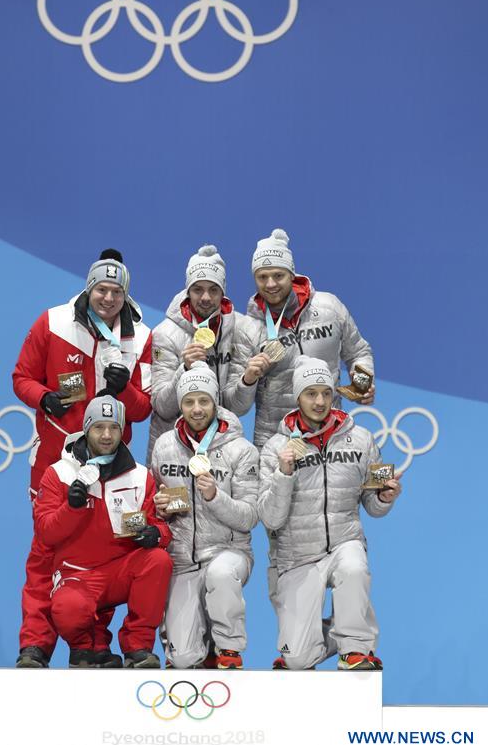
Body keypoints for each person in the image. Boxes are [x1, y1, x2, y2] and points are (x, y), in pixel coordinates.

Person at [12, 248, 153, 668]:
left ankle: (89, 645)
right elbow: (21, 378)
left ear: (126, 295)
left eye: (116, 291)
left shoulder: (141, 338)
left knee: (104, 554)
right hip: (57, 460)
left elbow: (143, 408)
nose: (108, 298)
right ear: (88, 288)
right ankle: (35, 644)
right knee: (45, 552)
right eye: (101, 289)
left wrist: (124, 388)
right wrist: (45, 398)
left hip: (110, 468)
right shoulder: (53, 322)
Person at [258, 356, 401, 671]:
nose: (320, 401)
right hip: (297, 556)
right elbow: (270, 519)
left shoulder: (360, 440)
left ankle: (355, 649)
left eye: (326, 393)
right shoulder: (275, 448)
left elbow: (373, 506)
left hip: (343, 542)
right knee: (296, 659)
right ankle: (335, 633)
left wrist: (384, 496)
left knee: (353, 565)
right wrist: (283, 473)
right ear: (298, 397)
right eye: (311, 394)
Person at [34, 396, 173, 669]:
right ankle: (86, 649)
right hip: (78, 573)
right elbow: (46, 533)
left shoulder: (140, 476)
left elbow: (160, 525)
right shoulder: (59, 473)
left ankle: (138, 647)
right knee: (69, 609)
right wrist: (71, 508)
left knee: (158, 560)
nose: (107, 435)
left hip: (120, 570)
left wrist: (156, 534)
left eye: (114, 427)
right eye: (99, 427)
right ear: (86, 429)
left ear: (123, 431)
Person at [150, 362, 259, 670]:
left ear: (215, 402)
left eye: (204, 401)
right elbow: (152, 501)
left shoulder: (241, 450)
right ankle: (200, 650)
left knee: (221, 575)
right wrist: (158, 508)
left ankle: (229, 650)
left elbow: (249, 517)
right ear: (180, 405)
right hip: (183, 558)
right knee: (183, 658)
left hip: (229, 552)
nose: (196, 409)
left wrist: (214, 496)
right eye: (189, 401)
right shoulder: (163, 446)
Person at [226, 228, 375, 451]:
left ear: (292, 273)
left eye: (278, 275)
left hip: (329, 433)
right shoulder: (248, 328)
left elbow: (358, 352)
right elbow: (235, 406)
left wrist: (363, 383)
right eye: (262, 277)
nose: (270, 284)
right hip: (274, 441)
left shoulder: (329, 308)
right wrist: (248, 379)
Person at [148, 244, 236, 462]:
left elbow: (236, 406)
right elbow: (162, 406)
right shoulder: (165, 334)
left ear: (223, 292)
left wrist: (247, 381)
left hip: (218, 445)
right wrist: (183, 368)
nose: (205, 297)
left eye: (213, 289)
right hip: (171, 447)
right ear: (188, 292)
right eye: (198, 289)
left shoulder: (235, 329)